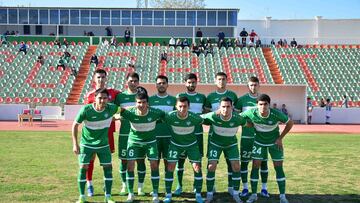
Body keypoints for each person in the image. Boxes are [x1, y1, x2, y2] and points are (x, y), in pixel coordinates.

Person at [242, 94, 293, 203]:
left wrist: (280, 138)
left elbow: (290, 123)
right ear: (257, 105)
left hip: (274, 143)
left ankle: (282, 196)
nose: (263, 107)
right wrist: (248, 124)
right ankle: (254, 195)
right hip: (259, 142)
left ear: (269, 105)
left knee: (278, 167)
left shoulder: (276, 113)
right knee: (255, 166)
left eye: (265, 104)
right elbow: (238, 118)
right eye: (260, 104)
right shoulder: (251, 112)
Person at [72, 88, 118, 203]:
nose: (102, 100)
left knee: (108, 169)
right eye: (100, 98)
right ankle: (82, 197)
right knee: (83, 168)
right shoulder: (86, 110)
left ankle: (108, 197)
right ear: (95, 98)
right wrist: (75, 144)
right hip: (86, 145)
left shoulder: (111, 108)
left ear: (108, 99)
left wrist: (119, 116)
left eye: (105, 98)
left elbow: (124, 111)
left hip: (103, 145)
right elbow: (75, 125)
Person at [120, 89, 165, 203]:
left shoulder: (155, 112)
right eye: (139, 102)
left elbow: (165, 117)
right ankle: (131, 194)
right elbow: (115, 111)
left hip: (150, 142)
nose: (141, 105)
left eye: (144, 102)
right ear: (135, 103)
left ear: (147, 103)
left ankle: (155, 194)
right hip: (134, 142)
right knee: (130, 166)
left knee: (154, 165)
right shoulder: (129, 112)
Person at [202, 97, 248, 203]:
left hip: (231, 145)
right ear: (219, 107)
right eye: (223, 107)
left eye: (228, 106)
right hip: (215, 144)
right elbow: (199, 119)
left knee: (236, 166)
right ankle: (209, 194)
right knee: (211, 166)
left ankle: (236, 194)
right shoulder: (213, 115)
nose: (225, 109)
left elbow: (248, 124)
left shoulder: (238, 118)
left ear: (232, 107)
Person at [83, 69, 121, 197]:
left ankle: (106, 183)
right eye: (98, 77)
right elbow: (86, 114)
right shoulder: (89, 95)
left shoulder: (114, 93)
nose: (101, 79)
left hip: (108, 131)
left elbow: (122, 105)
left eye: (103, 77)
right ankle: (89, 184)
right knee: (91, 159)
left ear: (106, 78)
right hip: (93, 134)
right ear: (94, 79)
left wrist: (116, 116)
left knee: (107, 160)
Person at [163, 96, 204, 203]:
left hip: (192, 144)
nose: (182, 109)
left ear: (188, 106)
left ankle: (198, 194)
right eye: (180, 106)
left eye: (185, 106)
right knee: (170, 166)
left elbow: (205, 119)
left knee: (197, 167)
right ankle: (168, 194)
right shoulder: (169, 116)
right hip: (175, 144)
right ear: (176, 106)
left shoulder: (195, 118)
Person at [234, 76, 269, 198]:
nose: (253, 87)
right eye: (251, 85)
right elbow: (237, 117)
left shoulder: (263, 99)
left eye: (255, 85)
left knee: (263, 163)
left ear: (259, 85)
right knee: (244, 163)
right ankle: (245, 188)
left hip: (261, 138)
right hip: (246, 138)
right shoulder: (241, 100)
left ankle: (264, 188)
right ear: (248, 86)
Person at [204, 72, 238, 195]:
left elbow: (237, 113)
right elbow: (206, 115)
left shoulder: (233, 95)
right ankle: (211, 187)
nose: (221, 81)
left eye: (223, 79)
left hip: (229, 134)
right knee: (211, 163)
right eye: (219, 79)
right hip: (214, 134)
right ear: (215, 81)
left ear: (226, 80)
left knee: (232, 162)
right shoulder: (210, 96)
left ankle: (231, 187)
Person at [114, 73, 147, 197]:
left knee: (140, 160)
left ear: (138, 82)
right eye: (131, 81)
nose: (133, 83)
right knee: (124, 161)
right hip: (124, 133)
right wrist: (117, 116)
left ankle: (140, 187)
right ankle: (124, 186)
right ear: (126, 81)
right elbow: (114, 111)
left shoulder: (142, 96)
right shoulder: (120, 96)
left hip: (140, 134)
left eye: (135, 81)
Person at [175, 73, 206, 195]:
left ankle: (196, 186)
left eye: (193, 82)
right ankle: (179, 186)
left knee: (197, 161)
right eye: (189, 82)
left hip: (197, 134)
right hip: (182, 134)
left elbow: (205, 111)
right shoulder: (180, 96)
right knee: (180, 161)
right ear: (185, 83)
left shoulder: (202, 97)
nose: (191, 84)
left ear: (196, 83)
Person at [149, 75, 177, 186]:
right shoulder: (150, 100)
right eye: (159, 83)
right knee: (154, 164)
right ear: (156, 85)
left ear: (167, 85)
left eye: (163, 83)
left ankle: (168, 189)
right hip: (153, 137)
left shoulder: (173, 100)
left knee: (168, 163)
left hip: (169, 137)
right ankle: (155, 189)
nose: (161, 85)